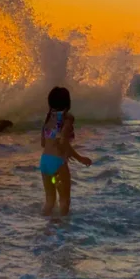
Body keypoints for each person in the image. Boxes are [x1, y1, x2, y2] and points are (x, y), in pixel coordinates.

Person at [39, 86, 92, 216]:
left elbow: (43, 143)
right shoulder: (66, 120)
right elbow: (63, 141)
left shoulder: (48, 119)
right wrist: (80, 158)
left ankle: (45, 230)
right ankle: (63, 233)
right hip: (57, 163)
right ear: (68, 103)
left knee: (50, 201)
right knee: (64, 201)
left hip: (44, 162)